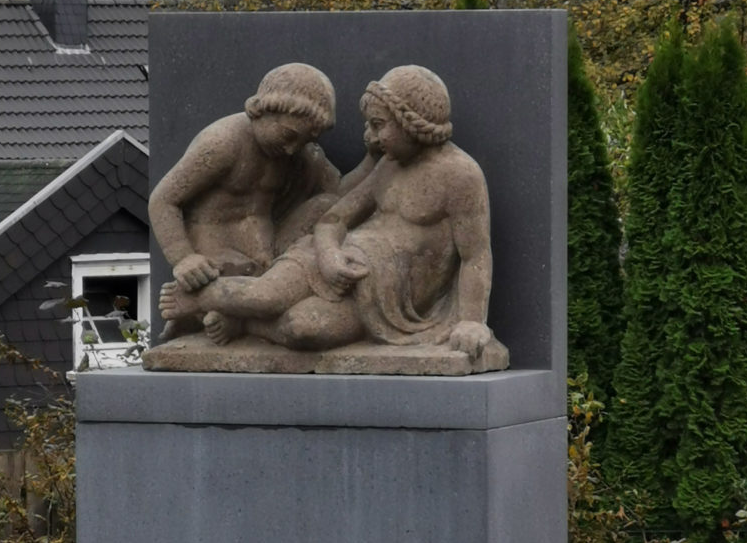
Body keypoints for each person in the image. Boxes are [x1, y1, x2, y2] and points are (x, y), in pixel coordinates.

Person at [160, 65, 505, 362]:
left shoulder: (461, 175)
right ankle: (194, 299)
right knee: (266, 296)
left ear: (410, 120)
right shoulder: (389, 166)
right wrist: (328, 255)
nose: (370, 136)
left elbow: (475, 253)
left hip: (384, 296)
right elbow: (334, 218)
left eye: (378, 124)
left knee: (303, 329)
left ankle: (239, 321)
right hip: (334, 259)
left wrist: (473, 320)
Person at [147, 63, 341, 337]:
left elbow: (340, 191)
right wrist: (184, 258)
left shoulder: (299, 154)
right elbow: (163, 199)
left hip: (267, 253)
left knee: (327, 206)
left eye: (304, 141)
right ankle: (209, 307)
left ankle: (234, 317)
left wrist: (375, 164)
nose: (291, 149)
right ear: (263, 111)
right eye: (289, 136)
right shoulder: (222, 143)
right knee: (247, 284)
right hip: (217, 256)